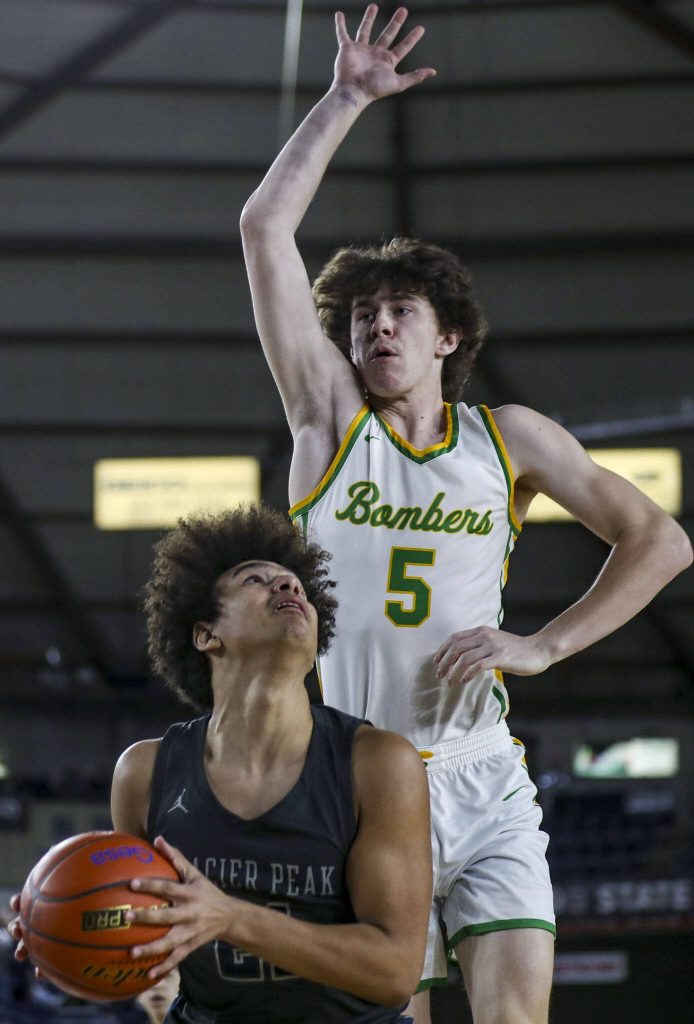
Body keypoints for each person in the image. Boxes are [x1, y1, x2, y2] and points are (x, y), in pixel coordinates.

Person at [239, 5, 694, 1023]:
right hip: (356, 777)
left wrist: (543, 644)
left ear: (447, 337)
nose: (377, 324)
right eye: (361, 314)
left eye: (401, 310)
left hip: (481, 772)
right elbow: (263, 229)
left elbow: (660, 540)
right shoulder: (326, 423)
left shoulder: (509, 439)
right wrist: (344, 98)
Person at [9, 504, 431, 1024]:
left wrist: (230, 918)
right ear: (207, 634)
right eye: (257, 581)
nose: (288, 589)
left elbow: (395, 972)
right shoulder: (144, 774)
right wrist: (65, 931)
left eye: (297, 585)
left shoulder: (378, 763)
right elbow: (147, 932)